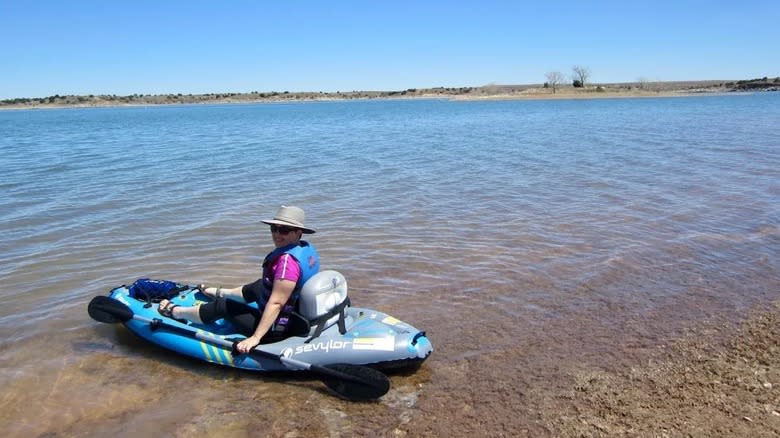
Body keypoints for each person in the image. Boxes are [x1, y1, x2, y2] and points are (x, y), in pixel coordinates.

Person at [158, 205, 320, 353]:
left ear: (299, 232)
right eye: (274, 228)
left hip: (278, 328)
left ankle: (176, 312)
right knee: (258, 286)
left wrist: (255, 338)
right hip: (295, 312)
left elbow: (277, 303)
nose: (277, 234)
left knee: (224, 306)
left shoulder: (287, 263)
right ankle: (215, 292)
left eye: (284, 230)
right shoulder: (304, 248)